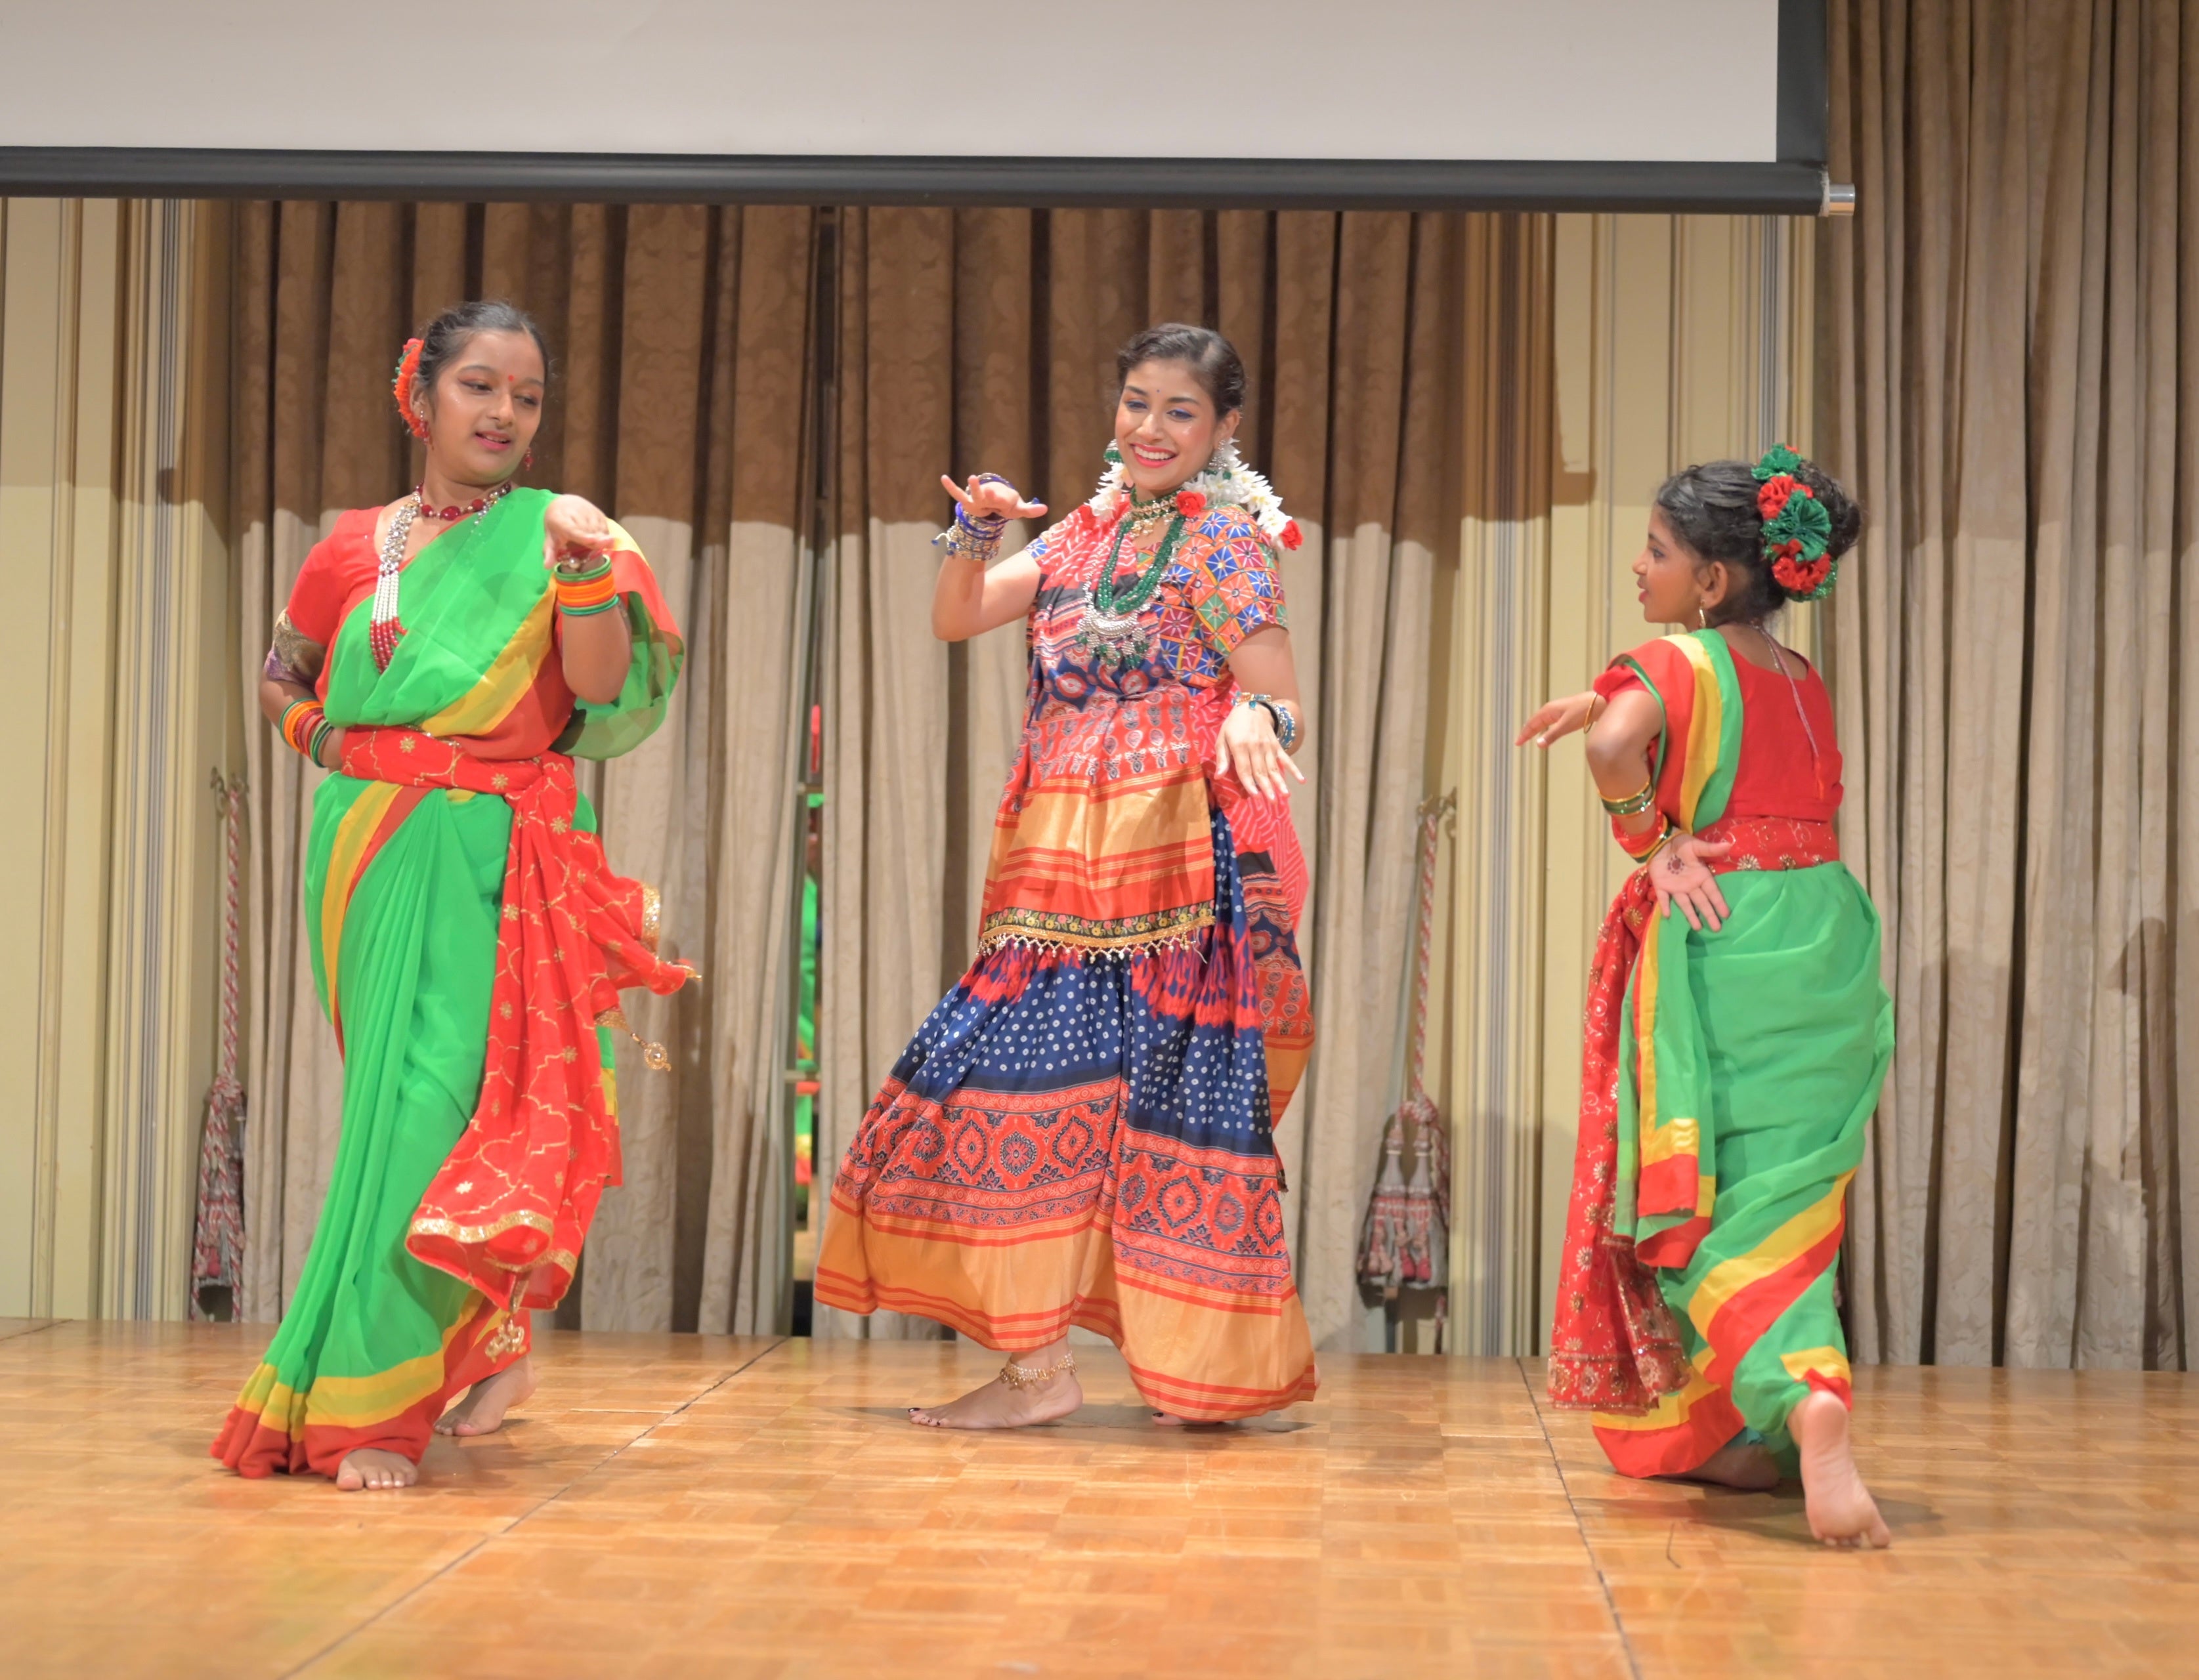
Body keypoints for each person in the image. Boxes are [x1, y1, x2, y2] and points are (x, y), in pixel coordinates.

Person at [213, 301, 691, 1491]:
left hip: (495, 858)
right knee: (393, 1111)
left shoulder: (561, 528)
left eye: (526, 397)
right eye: (480, 386)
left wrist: (582, 573)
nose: (504, 413)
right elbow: (280, 674)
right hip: (364, 850)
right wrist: (323, 739)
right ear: (418, 395)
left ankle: (375, 1411)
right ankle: (495, 1348)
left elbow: (598, 690)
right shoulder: (350, 545)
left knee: (444, 1112)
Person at [816, 324, 1319, 1427]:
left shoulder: (1224, 545)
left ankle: (1184, 1368)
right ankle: (1041, 1371)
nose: (1150, 428)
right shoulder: (1082, 535)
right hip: (1054, 871)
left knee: (1159, 1125)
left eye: (1180, 411)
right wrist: (977, 528)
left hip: (1173, 882)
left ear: (1224, 428)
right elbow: (956, 616)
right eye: (1137, 403)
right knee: (1001, 1096)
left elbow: (1279, 697)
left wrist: (1254, 718)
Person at [1519, 446, 1894, 1547]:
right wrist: (1615, 692)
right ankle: (1748, 1437)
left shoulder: (1675, 657)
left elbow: (1615, 748)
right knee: (1788, 1196)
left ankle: (1807, 1398)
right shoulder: (1799, 675)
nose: (1639, 568)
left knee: (1706, 1202)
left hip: (1725, 932)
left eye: (1656, 551)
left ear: (1713, 579)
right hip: (1823, 939)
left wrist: (1652, 841)